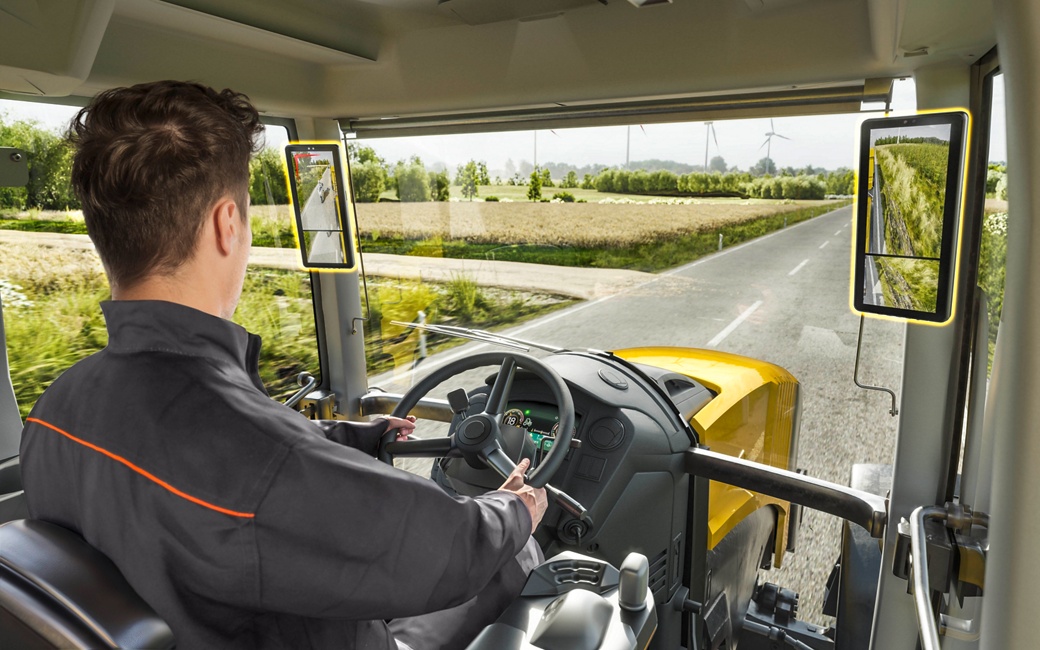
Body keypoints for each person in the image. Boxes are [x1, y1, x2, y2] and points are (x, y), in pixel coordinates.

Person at [19, 80, 547, 650]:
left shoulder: (54, 411)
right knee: (518, 559)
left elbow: (232, 469)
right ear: (227, 225)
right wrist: (512, 509)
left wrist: (354, 438)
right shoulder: (258, 460)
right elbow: (446, 550)